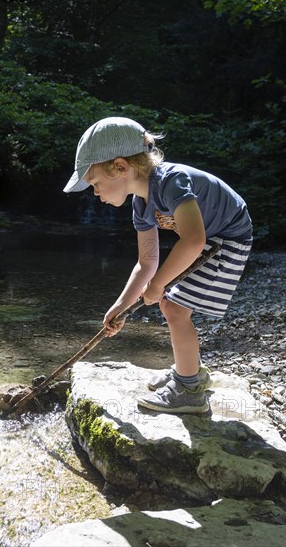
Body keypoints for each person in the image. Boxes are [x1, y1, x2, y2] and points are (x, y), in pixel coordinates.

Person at [63, 117, 252, 414]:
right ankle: (190, 370)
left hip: (227, 238)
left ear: (120, 167)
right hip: (207, 239)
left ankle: (189, 390)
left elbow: (192, 239)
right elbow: (147, 262)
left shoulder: (171, 182)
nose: (95, 193)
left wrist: (159, 284)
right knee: (170, 304)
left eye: (95, 183)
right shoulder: (141, 204)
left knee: (173, 308)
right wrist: (121, 307)